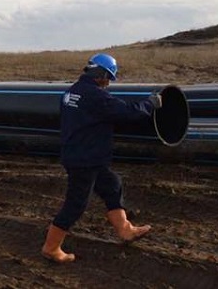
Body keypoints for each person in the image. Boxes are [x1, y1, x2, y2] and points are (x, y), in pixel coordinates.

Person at [41, 53, 163, 263]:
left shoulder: (72, 92)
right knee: (76, 204)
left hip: (83, 154)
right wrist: (150, 104)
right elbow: (126, 113)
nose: (108, 83)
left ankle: (125, 230)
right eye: (108, 77)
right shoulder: (95, 96)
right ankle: (51, 248)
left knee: (112, 184)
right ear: (100, 74)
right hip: (85, 159)